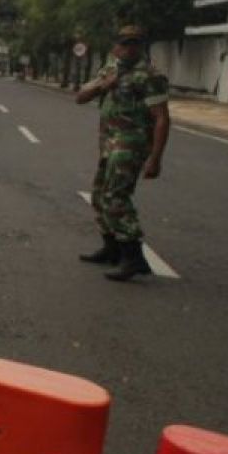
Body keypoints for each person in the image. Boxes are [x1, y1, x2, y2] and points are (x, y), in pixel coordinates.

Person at [74, 25, 171, 282]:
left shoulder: (149, 76)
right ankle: (112, 248)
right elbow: (81, 97)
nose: (129, 48)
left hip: (132, 144)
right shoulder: (109, 70)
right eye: (125, 43)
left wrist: (156, 159)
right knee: (99, 196)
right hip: (109, 144)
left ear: (142, 47)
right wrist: (104, 85)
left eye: (135, 43)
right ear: (116, 46)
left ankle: (134, 257)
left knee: (117, 197)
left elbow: (162, 118)